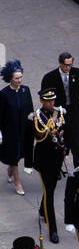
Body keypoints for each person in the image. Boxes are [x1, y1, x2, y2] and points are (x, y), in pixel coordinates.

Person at [27, 88, 66, 244]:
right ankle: (53, 230)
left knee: (51, 188)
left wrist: (66, 148)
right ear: (42, 101)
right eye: (48, 101)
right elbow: (28, 142)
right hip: (43, 161)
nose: (52, 103)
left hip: (57, 159)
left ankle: (42, 210)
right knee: (49, 193)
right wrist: (28, 163)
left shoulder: (61, 114)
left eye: (53, 100)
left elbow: (65, 133)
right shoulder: (34, 118)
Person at [41, 52, 79, 168]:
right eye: (66, 65)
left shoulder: (76, 73)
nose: (68, 67)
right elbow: (45, 96)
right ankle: (56, 167)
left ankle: (78, 169)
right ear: (60, 63)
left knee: (76, 144)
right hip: (58, 113)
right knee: (59, 142)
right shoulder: (50, 77)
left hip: (74, 113)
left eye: (70, 64)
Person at [0, 60, 33, 195]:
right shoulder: (4, 94)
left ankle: (10, 170)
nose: (19, 80)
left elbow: (30, 110)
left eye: (21, 77)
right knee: (14, 155)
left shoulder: (26, 90)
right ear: (10, 79)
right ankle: (17, 182)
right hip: (10, 132)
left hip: (24, 129)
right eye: (16, 78)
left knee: (20, 154)